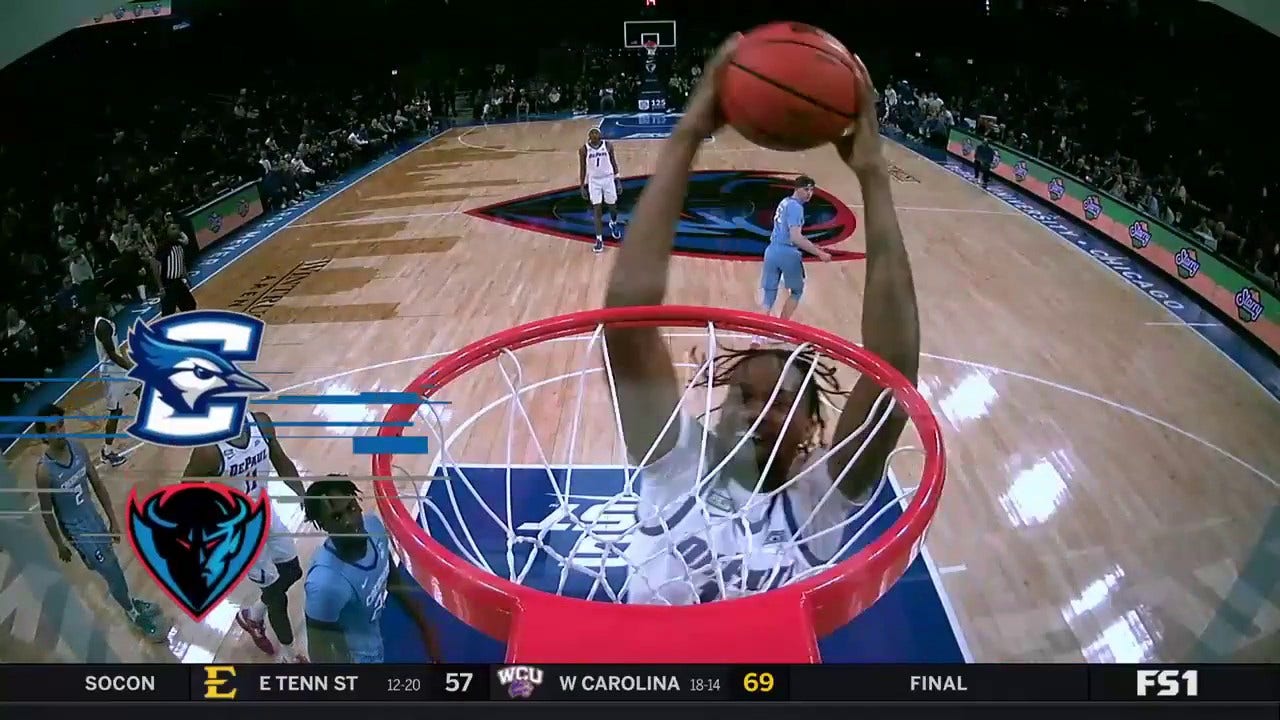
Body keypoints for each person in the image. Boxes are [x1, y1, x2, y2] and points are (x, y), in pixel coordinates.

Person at [603, 38, 920, 604]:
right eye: (747, 397)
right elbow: (627, 323)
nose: (758, 413)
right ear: (719, 409)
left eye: (781, 403)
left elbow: (893, 372)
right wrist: (685, 136)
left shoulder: (816, 499)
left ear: (813, 434)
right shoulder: (676, 463)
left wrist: (873, 172)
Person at [184, 410, 308, 662]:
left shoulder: (261, 422)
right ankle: (290, 654)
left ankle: (252, 615)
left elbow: (281, 461)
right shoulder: (209, 451)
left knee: (293, 571)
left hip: (265, 511)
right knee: (276, 595)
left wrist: (304, 496)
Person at [34, 403, 164, 640]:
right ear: (44, 435)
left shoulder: (78, 448)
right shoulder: (44, 471)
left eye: (60, 425)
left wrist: (113, 520)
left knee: (112, 567)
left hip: (95, 519)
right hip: (79, 534)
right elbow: (47, 512)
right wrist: (61, 545)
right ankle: (132, 613)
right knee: (112, 570)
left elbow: (98, 484)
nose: (59, 431)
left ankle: (129, 600)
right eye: (52, 429)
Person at [302, 476, 441, 663]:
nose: (349, 521)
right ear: (322, 525)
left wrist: (426, 627)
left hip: (374, 644)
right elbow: (319, 650)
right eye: (336, 517)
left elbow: (392, 579)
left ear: (358, 505)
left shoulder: (373, 526)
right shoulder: (324, 585)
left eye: (350, 508)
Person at [754, 175, 832, 346]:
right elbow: (795, 237)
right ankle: (780, 331)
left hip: (771, 251)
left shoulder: (785, 202)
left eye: (812, 190)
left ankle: (757, 335)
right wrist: (820, 254)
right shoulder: (797, 208)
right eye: (806, 189)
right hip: (787, 254)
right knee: (796, 291)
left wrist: (813, 245)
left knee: (768, 295)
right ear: (797, 189)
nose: (809, 194)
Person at [93, 316, 136, 467]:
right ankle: (107, 452)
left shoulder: (104, 320)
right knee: (116, 412)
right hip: (112, 374)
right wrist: (130, 367)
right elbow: (112, 354)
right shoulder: (102, 326)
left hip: (117, 369)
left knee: (141, 389)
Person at [579, 127, 624, 253]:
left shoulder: (608, 146)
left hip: (608, 179)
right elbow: (582, 168)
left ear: (600, 135)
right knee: (597, 209)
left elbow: (614, 163)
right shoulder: (583, 149)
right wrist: (582, 185)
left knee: (612, 207)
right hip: (594, 181)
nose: (594, 135)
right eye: (591, 133)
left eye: (596, 133)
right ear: (589, 136)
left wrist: (618, 180)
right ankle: (599, 240)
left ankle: (613, 223)